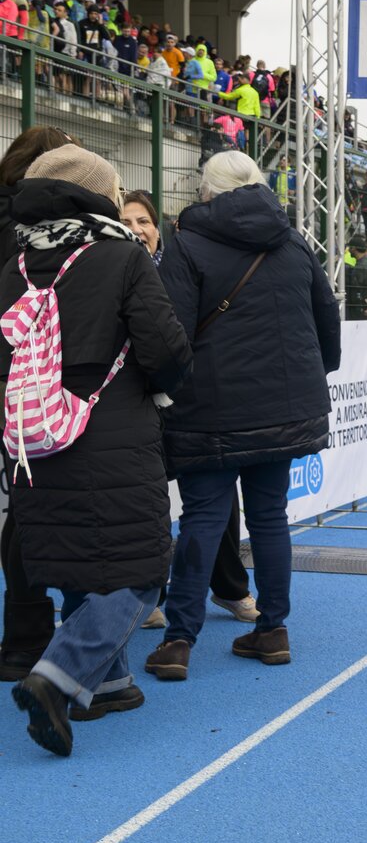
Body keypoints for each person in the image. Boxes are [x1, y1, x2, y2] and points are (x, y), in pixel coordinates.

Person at [3, 146, 192, 754]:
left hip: (33, 438)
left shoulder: (16, 264)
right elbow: (166, 349)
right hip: (113, 432)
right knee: (141, 570)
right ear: (98, 194)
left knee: (79, 560)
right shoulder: (122, 256)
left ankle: (109, 684)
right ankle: (57, 677)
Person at [146, 151, 340, 681]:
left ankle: (179, 640)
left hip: (207, 407)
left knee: (202, 518)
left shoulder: (187, 242)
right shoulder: (292, 241)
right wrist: (315, 373)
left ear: (206, 190)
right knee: (270, 516)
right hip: (283, 405)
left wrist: (160, 389)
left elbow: (171, 330)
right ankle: (273, 629)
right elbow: (326, 315)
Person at [119, 190, 262, 631]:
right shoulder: (109, 269)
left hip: (194, 400)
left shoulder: (181, 265)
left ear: (157, 229)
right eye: (125, 222)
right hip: (136, 403)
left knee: (217, 498)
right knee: (146, 505)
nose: (135, 229)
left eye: (143, 221)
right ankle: (149, 595)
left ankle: (230, 588)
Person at [0, 126, 77, 683]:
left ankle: (24, 637)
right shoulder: (33, 232)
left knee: (22, 511)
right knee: (35, 511)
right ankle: (34, 640)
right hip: (30, 382)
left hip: (12, 380)